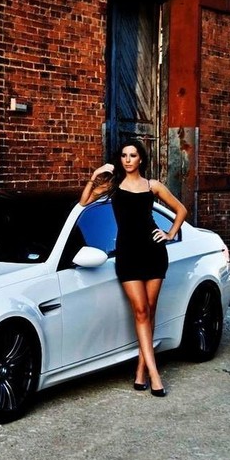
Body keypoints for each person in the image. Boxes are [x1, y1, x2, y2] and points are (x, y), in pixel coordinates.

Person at [79, 139, 187, 397]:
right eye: (124, 155)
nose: (128, 160)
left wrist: (170, 233)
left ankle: (140, 371)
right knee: (140, 312)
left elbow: (181, 209)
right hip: (128, 255)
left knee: (150, 311)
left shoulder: (153, 186)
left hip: (154, 253)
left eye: (133, 155)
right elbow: (84, 202)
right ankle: (154, 374)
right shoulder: (113, 186)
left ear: (141, 159)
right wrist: (95, 175)